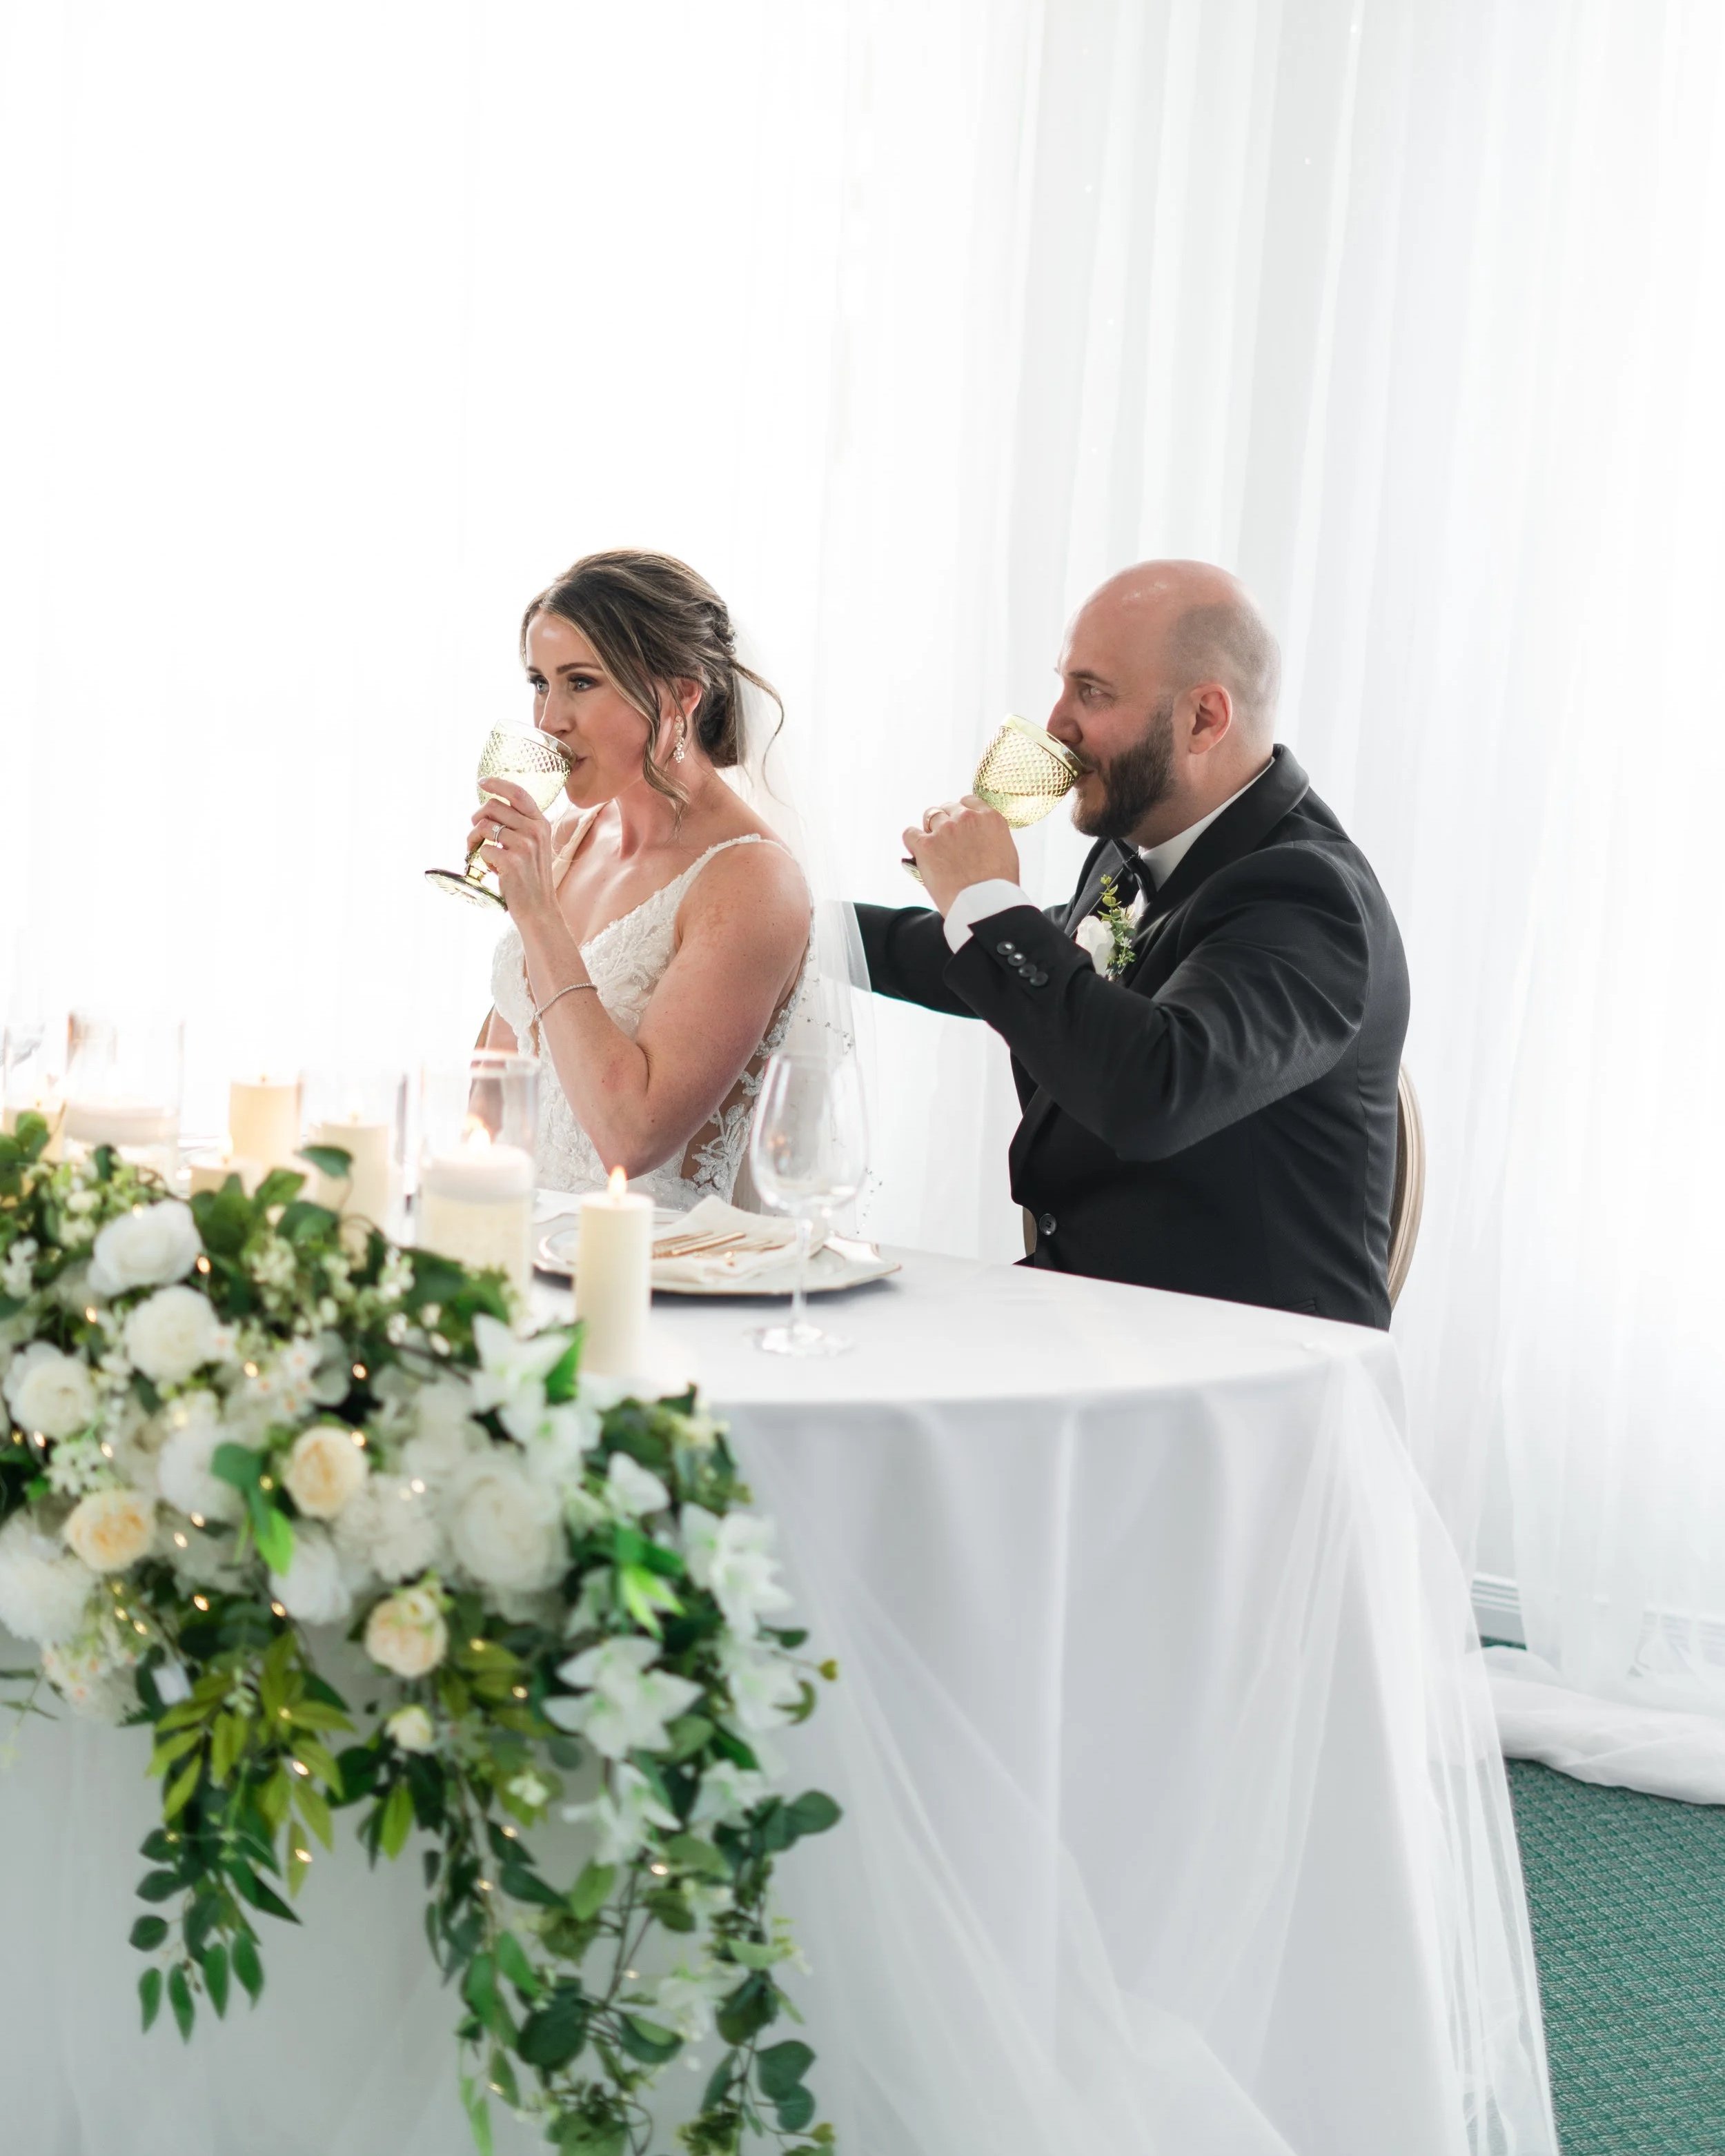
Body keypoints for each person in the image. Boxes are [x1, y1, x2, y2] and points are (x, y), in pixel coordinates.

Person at [856, 560, 1409, 1328]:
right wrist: (806, 929)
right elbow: (1043, 974)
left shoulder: (1304, 894)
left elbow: (1154, 1089)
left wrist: (987, 900)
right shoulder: (1131, 854)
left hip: (1239, 1366)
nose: (1055, 724)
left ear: (1203, 720)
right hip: (1090, 1317)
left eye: (1093, 692)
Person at [476, 550, 809, 1205]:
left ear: (683, 694)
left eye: (582, 682)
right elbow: (490, 1105)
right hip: (519, 1251)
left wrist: (538, 914)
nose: (550, 721)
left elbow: (631, 1137)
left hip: (652, 1276)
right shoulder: (567, 845)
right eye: (540, 682)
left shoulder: (752, 881)